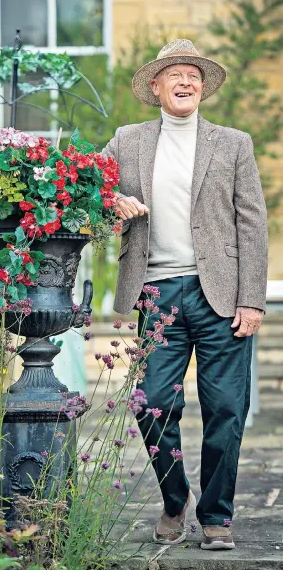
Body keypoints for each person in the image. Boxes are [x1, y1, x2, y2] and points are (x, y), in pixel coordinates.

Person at [102, 39, 268, 550]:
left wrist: (252, 299)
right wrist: (114, 198)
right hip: (156, 293)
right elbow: (85, 184)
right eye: (174, 73)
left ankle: (216, 516)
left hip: (219, 296)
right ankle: (175, 500)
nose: (185, 81)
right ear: (155, 87)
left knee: (225, 408)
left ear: (203, 88)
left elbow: (252, 223)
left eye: (193, 75)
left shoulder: (233, 142)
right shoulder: (126, 140)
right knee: (151, 404)